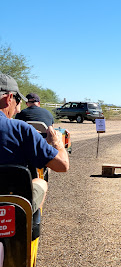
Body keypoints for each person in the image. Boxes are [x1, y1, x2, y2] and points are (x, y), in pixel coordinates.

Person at [0, 73, 69, 213]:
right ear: (9, 98)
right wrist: (57, 143)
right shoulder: (20, 129)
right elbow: (62, 165)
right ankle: (29, 229)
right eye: (17, 100)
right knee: (40, 182)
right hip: (9, 208)